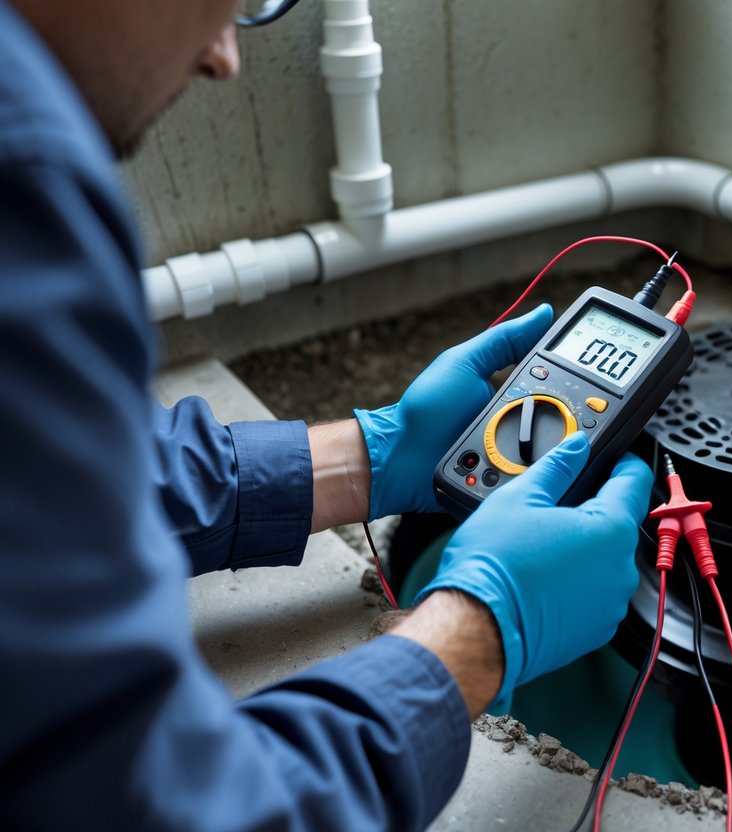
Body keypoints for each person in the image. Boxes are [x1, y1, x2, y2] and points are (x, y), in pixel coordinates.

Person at [0, 1, 653, 828]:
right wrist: (480, 629)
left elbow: (31, 485)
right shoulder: (24, 173)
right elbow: (159, 807)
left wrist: (365, 457)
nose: (223, 56)